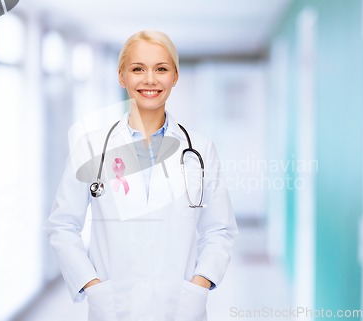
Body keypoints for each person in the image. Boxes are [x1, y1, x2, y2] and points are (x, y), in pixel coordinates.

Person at [44, 30, 238, 321]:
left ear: (175, 75)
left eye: (161, 68)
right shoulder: (91, 147)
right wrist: (91, 285)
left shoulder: (200, 149)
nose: (150, 79)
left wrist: (200, 285)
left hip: (180, 308)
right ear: (122, 76)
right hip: (114, 308)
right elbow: (62, 225)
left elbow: (219, 230)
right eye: (138, 69)